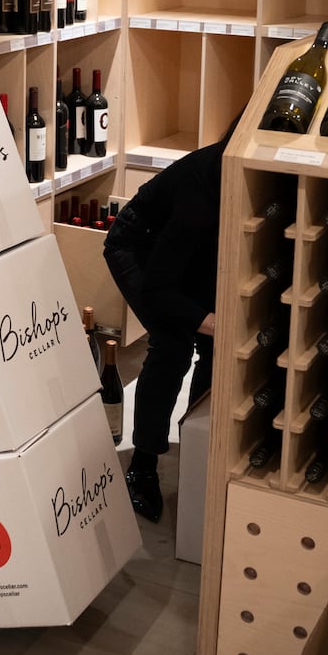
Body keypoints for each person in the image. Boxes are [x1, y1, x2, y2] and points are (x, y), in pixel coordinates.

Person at [102, 114, 238, 522]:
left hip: (193, 257)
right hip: (140, 251)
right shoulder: (203, 189)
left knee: (218, 352)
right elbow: (159, 289)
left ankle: (198, 447)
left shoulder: (244, 177)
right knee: (173, 346)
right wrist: (212, 322)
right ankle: (142, 467)